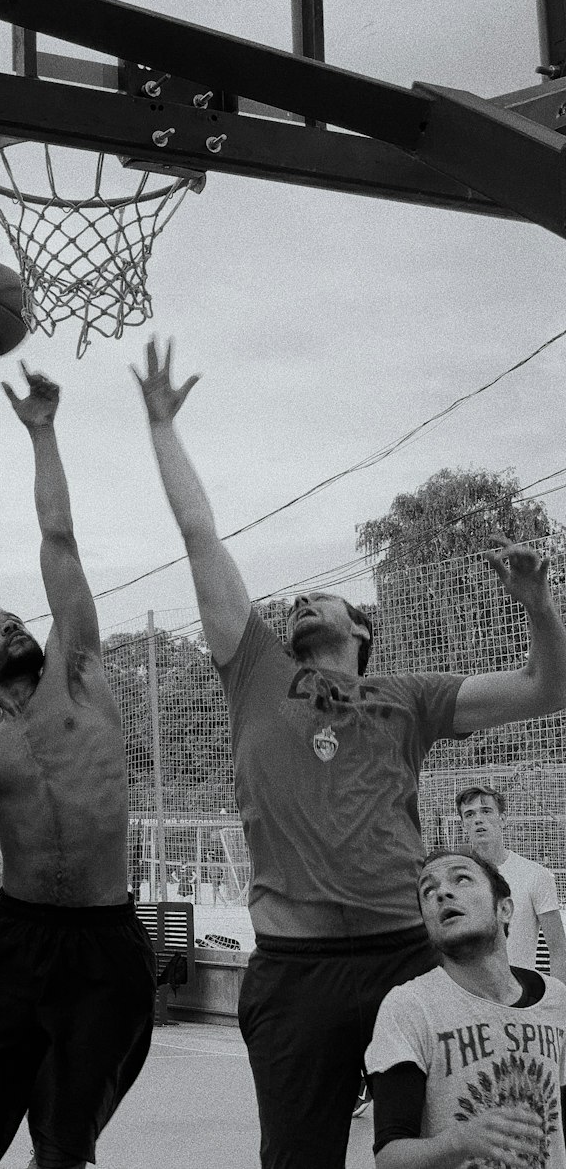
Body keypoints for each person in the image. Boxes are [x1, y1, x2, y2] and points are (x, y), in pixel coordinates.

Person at [133, 335, 566, 1169]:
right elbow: (199, 534)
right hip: (295, 970)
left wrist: (540, 605)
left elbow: (545, 689)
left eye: (320, 596)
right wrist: (161, 424)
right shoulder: (255, 668)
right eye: (295, 597)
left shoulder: (408, 697)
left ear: (361, 631)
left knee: (452, 1148)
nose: (300, 599)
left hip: (407, 952)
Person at [0, 364, 157, 1169]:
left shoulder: (80, 671)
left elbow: (60, 536)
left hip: (104, 938)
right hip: (12, 938)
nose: (7, 624)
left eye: (9, 616)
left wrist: (42, 429)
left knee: (64, 1148)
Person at [366, 848, 566, 1168]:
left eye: (462, 878)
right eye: (428, 890)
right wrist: (460, 1141)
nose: (443, 892)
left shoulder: (556, 1001)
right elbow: (389, 1158)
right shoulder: (408, 1007)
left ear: (504, 908)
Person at [457, 783, 566, 984]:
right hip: (467, 997)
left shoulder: (535, 875)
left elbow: (558, 948)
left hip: (518, 997)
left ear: (503, 819)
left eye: (486, 811)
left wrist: (558, 1002)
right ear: (463, 825)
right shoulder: (453, 880)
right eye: (469, 815)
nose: (478, 819)